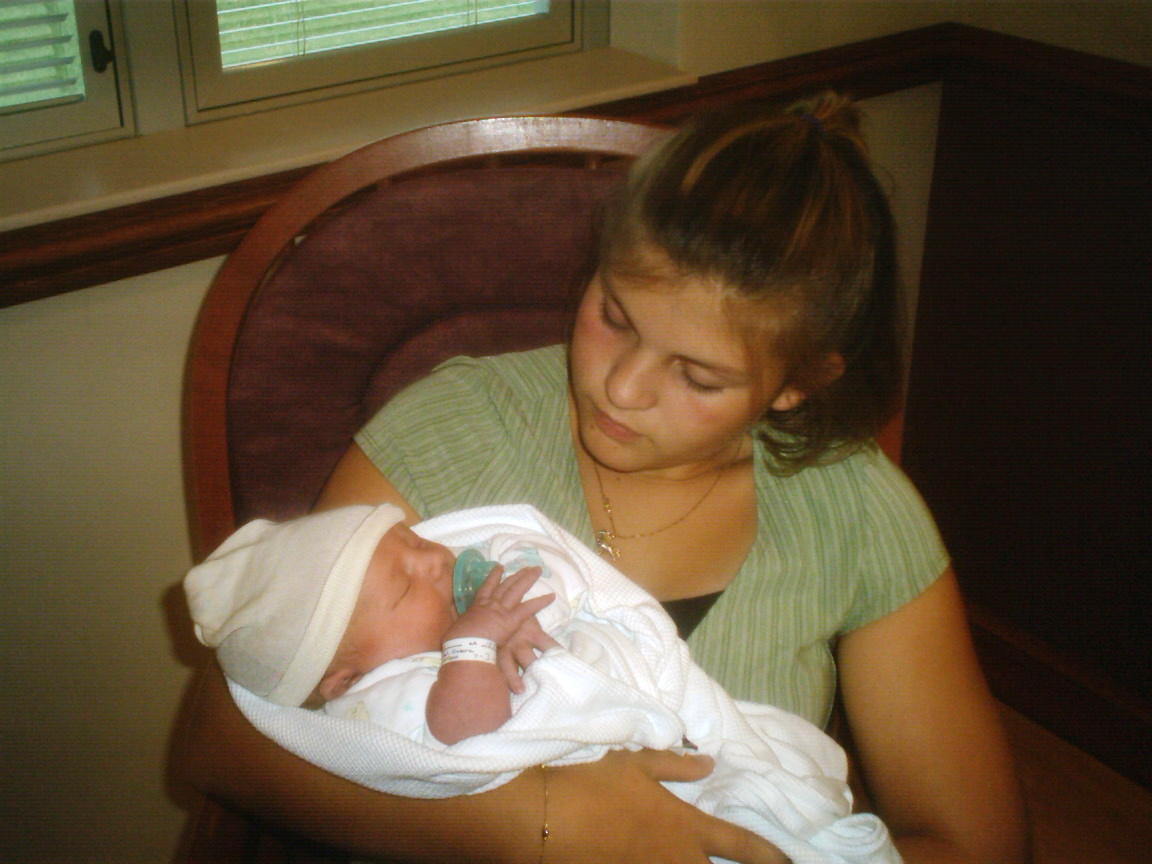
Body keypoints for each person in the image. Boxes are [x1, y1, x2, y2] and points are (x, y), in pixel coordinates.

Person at [181, 92, 1031, 864]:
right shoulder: (455, 429)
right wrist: (543, 827)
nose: (622, 388)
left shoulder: (854, 509)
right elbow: (219, 736)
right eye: (613, 316)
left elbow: (978, 844)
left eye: (697, 376)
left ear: (797, 384)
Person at [186, 502, 900, 863]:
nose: (433, 562)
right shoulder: (373, 700)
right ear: (341, 675)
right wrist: (473, 643)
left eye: (415, 542)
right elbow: (460, 730)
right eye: (404, 587)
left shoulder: (421, 626)